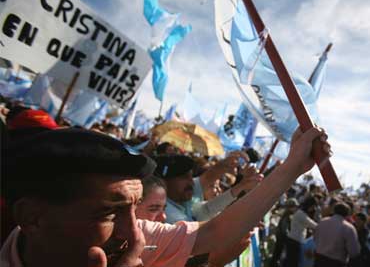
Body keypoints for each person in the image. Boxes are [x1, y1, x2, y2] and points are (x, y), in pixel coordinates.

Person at [1, 126, 331, 267]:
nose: (136, 237)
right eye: (107, 214)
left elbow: (211, 233)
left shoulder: (131, 234)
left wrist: (291, 168)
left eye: (135, 210)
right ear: (32, 217)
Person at [314, 202, 361, 267]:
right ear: (347, 213)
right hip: (336, 262)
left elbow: (315, 238)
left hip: (319, 258)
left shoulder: (323, 221)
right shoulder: (349, 228)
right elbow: (354, 252)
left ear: (333, 210)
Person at [285, 196, 318, 267]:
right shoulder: (301, 214)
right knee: (292, 263)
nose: (313, 209)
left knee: (290, 262)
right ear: (310, 205)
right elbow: (314, 225)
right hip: (294, 241)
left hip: (293, 240)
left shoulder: (301, 213)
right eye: (313, 206)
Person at [270, 198, 299, 267]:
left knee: (277, 253)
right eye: (295, 207)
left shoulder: (287, 215)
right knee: (277, 253)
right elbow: (284, 230)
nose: (296, 209)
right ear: (290, 207)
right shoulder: (287, 216)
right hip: (282, 238)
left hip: (281, 237)